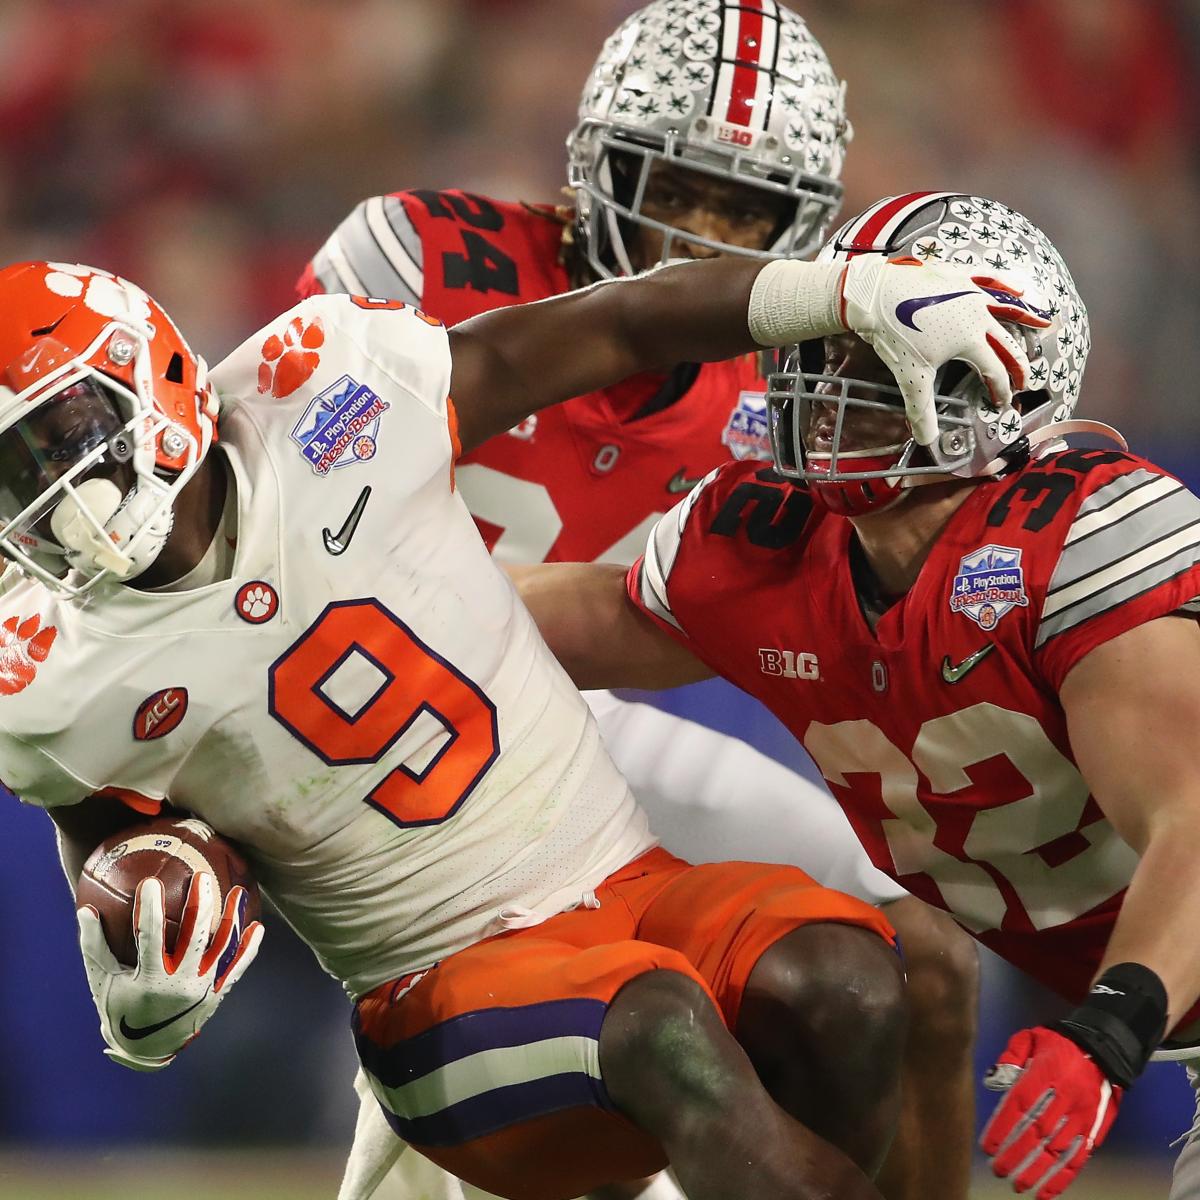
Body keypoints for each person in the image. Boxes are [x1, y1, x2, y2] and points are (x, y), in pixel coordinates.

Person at [0, 251, 1031, 1198]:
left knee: (848, 983)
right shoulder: (50, 667)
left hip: (630, 881)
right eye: (12, 470)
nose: (47, 490)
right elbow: (113, 850)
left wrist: (833, 291)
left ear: (155, 378)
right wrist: (137, 985)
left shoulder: (325, 386)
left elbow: (621, 324)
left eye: (58, 435)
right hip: (438, 986)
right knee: (664, 1027)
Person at [302, 5, 980, 1196]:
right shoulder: (418, 263)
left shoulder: (786, 382)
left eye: (745, 213)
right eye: (675, 186)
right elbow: (270, 507)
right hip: (371, 736)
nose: (698, 239)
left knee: (922, 960)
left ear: (801, 229)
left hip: (565, 729)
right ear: (597, 165)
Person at [513, 189, 1200, 1200]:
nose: (828, 387)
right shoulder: (773, 545)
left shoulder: (1078, 538)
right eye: (828, 348)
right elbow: (534, 623)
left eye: (876, 362)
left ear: (997, 382)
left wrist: (1109, 1028)